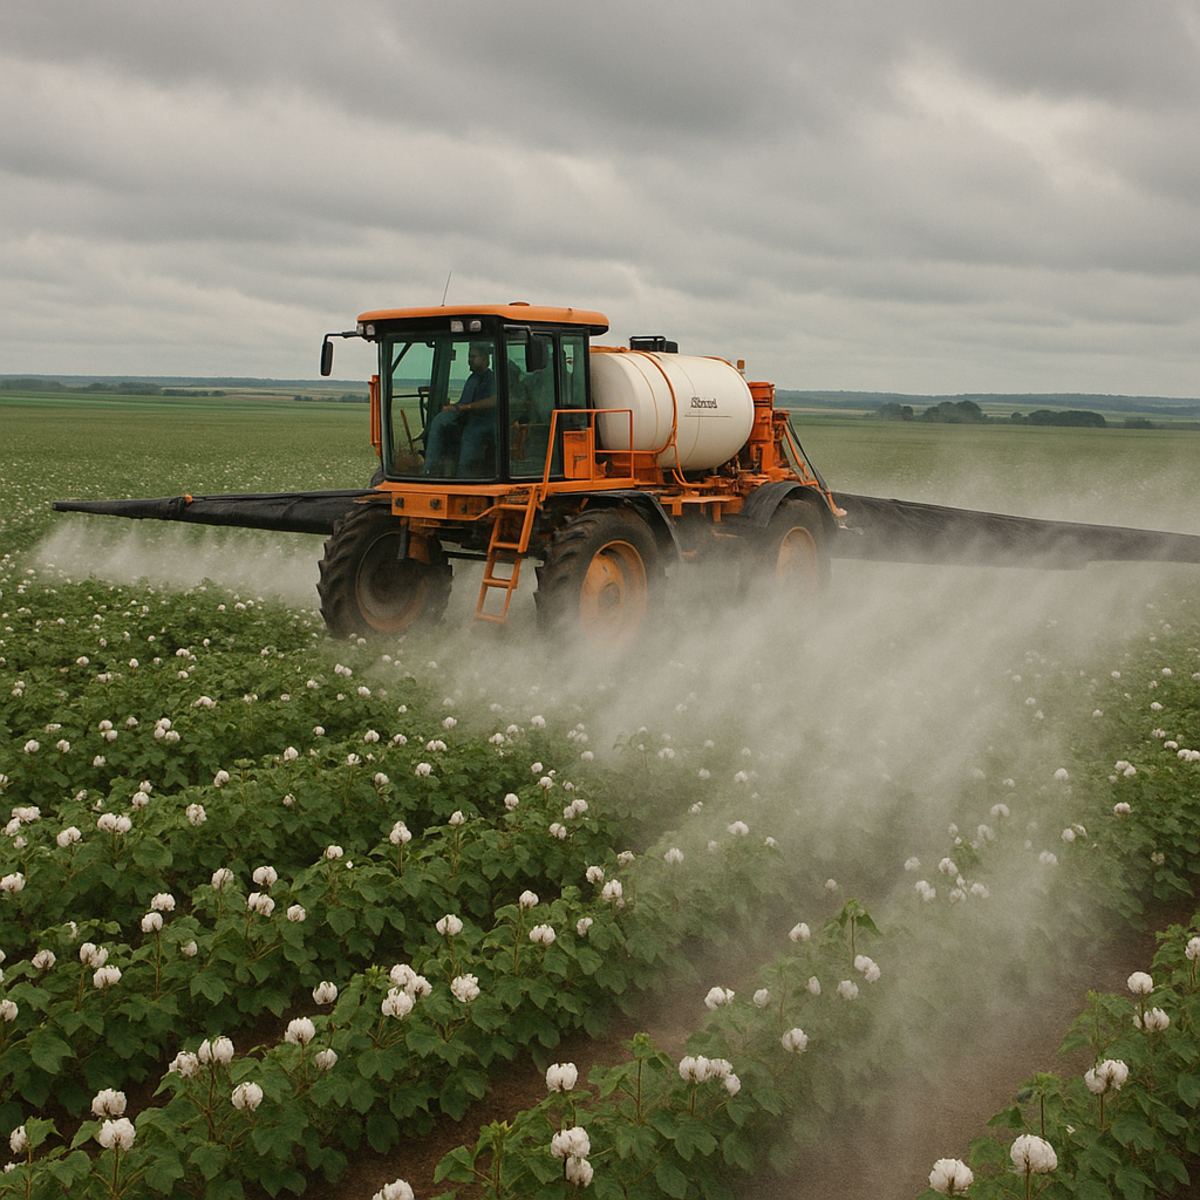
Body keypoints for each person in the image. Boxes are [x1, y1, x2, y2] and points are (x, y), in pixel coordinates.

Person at [422, 343, 497, 475]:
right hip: (467, 418)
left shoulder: (491, 379)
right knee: (439, 421)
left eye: (473, 357)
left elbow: (493, 401)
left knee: (471, 434)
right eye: (469, 357)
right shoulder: (472, 379)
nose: (470, 360)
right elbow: (463, 403)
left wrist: (466, 407)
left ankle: (464, 473)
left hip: (485, 421)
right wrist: (450, 407)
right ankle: (430, 468)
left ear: (486, 358)